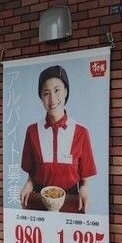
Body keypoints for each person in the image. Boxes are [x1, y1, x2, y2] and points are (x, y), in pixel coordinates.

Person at [19, 64, 96, 213]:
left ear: (66, 91)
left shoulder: (81, 132)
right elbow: (31, 174)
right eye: (46, 93)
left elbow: (85, 178)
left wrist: (85, 188)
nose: (52, 99)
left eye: (57, 90)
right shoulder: (32, 131)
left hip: (71, 202)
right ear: (41, 98)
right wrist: (28, 184)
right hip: (39, 202)